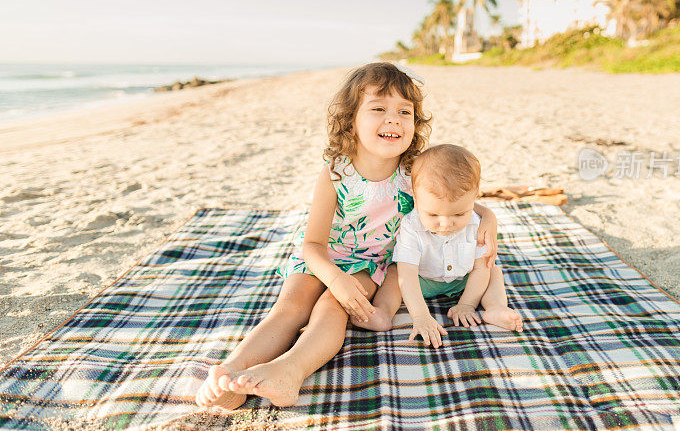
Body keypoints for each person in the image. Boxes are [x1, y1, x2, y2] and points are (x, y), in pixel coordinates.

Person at [195, 62, 498, 409]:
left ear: (416, 123)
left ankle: (289, 371)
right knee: (290, 307)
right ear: (351, 120)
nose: (394, 119)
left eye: (405, 111)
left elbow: (453, 196)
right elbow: (312, 244)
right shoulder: (337, 172)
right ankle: (230, 374)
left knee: (331, 308)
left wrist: (486, 214)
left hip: (370, 263)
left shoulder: (414, 172)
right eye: (378, 109)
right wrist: (333, 277)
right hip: (323, 256)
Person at [359, 144, 522, 348]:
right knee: (394, 274)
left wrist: (467, 304)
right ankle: (383, 311)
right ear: (416, 200)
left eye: (458, 214)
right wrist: (420, 316)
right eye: (433, 215)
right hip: (423, 280)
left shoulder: (477, 223)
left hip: (466, 281)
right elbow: (407, 275)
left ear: (475, 197)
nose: (446, 224)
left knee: (492, 270)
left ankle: (496, 308)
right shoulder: (411, 226)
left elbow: (480, 268)